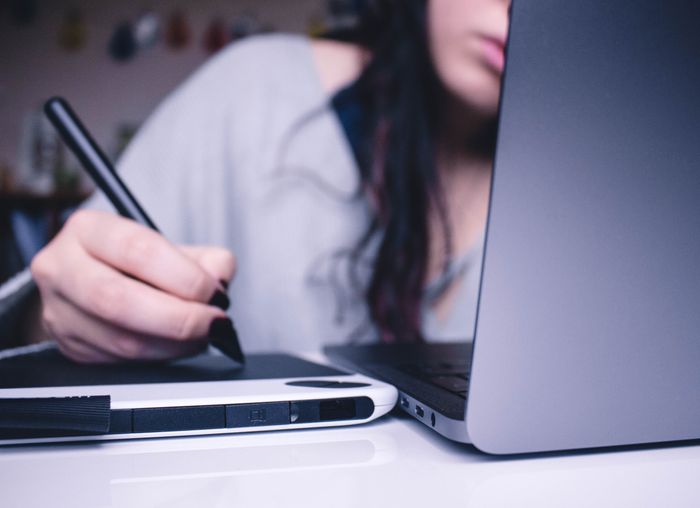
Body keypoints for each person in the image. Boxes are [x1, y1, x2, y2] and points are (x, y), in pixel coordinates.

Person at [0, 0, 510, 362]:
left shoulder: (581, 203)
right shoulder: (248, 92)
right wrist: (53, 320)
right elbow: (59, 305)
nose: (519, 7)